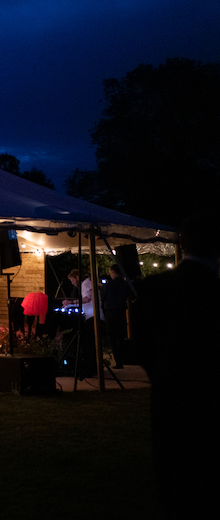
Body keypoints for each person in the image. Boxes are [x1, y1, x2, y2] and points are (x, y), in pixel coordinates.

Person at [135, 215, 220, 515]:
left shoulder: (154, 288)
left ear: (182, 245)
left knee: (173, 484)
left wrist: (163, 377)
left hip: (168, 403)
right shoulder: (213, 290)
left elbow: (141, 347)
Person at [100, 263, 132, 368]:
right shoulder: (125, 284)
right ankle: (122, 359)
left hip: (111, 311)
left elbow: (103, 297)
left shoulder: (109, 285)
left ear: (113, 272)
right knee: (121, 335)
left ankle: (117, 359)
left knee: (112, 336)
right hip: (121, 311)